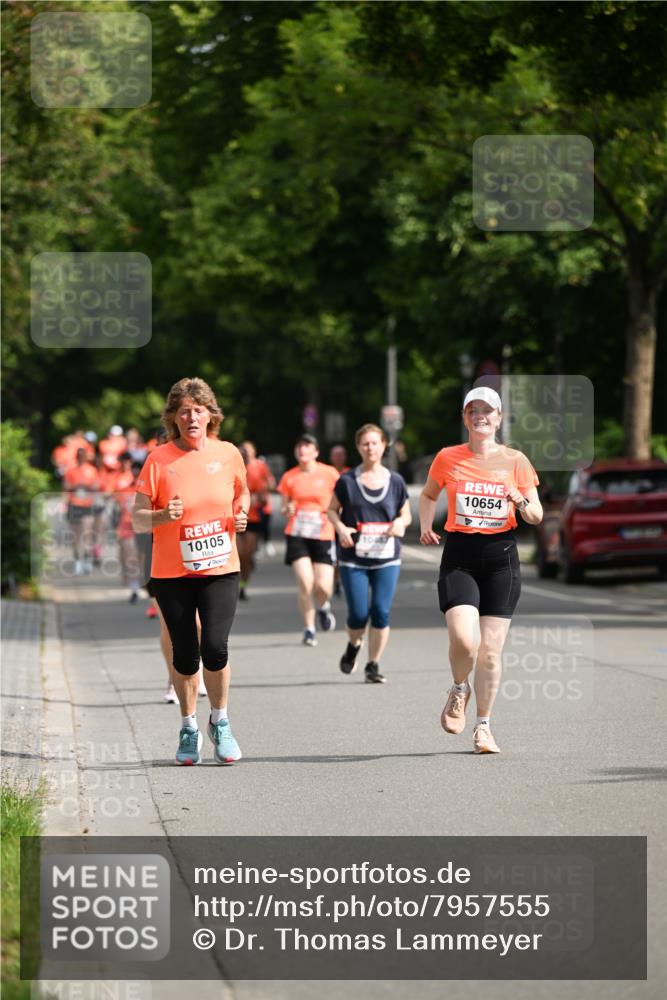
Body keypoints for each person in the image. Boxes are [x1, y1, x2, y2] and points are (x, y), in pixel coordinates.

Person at [419, 386, 543, 754]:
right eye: (473, 411)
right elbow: (428, 495)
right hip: (460, 555)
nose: (480, 417)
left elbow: (536, 515)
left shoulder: (516, 460)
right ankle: (459, 688)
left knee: (490, 652)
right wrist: (426, 525)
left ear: (499, 418)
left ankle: (484, 727)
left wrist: (519, 500)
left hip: (501, 558)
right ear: (465, 418)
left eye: (487, 411)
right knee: (463, 640)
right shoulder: (448, 457)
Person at [132, 377, 249, 766]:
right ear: (174, 418)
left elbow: (242, 491)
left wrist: (242, 512)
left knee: (214, 647)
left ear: (210, 415)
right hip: (171, 572)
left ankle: (221, 720)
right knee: (184, 655)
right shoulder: (158, 459)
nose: (191, 416)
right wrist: (164, 515)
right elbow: (136, 519)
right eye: (183, 411)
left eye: (198, 410)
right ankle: (188, 726)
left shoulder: (229, 453)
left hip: (220, 567)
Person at [328, 424, 411, 684]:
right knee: (358, 615)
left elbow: (405, 513)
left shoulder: (395, 481)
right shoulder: (347, 481)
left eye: (375, 443)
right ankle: (354, 645)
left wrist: (401, 523)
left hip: (387, 556)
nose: (370, 447)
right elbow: (331, 510)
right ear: (358, 447)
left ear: (384, 445)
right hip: (354, 558)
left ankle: (373, 664)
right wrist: (340, 527)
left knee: (381, 611)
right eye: (365, 443)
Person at [278, 434, 339, 646]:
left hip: (323, 533)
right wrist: (288, 509)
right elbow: (284, 508)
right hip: (297, 533)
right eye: (299, 446)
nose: (303, 450)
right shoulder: (289, 477)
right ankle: (309, 628)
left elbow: (341, 502)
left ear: (316, 451)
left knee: (323, 586)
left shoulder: (330, 473)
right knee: (305, 582)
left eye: (307, 446)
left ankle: (323, 607)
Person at [237, 441, 276, 600]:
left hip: (252, 519)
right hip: (232, 521)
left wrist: (255, 499)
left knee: (246, 556)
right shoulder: (226, 470)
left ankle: (243, 587)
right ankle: (232, 586)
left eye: (246, 455)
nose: (244, 457)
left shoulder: (256, 469)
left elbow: (264, 494)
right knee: (238, 554)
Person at [62, 447, 100, 575]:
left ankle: (87, 559)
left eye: (83, 455)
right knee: (76, 535)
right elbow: (66, 486)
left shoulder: (92, 470)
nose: (81, 457)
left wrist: (87, 486)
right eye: (79, 455)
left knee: (87, 533)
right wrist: (77, 485)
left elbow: (97, 486)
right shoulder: (71, 470)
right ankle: (78, 560)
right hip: (74, 505)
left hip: (87, 505)